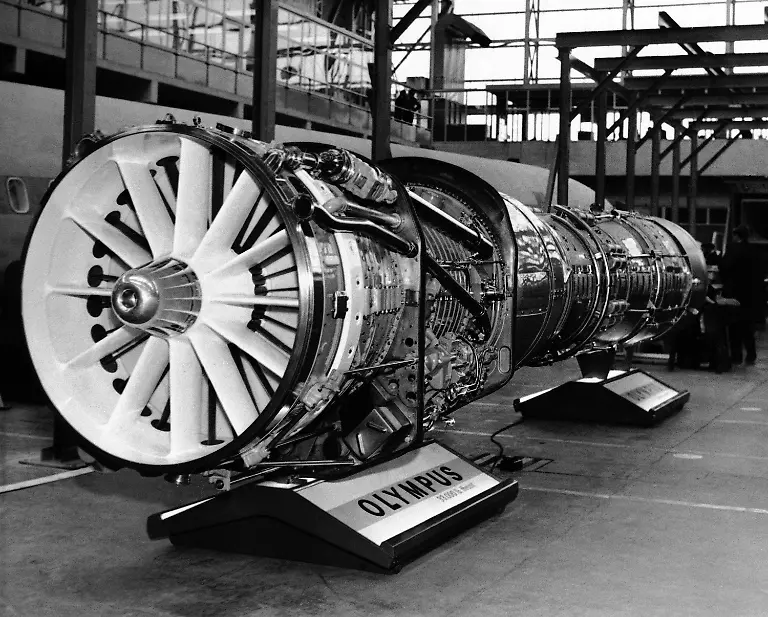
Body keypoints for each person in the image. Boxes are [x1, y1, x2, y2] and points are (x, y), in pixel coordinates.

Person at [719, 225, 764, 365]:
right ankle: (751, 355)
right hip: (750, 295)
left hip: (734, 294)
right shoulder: (755, 251)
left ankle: (736, 356)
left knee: (734, 327)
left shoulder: (732, 249)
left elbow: (724, 267)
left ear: (736, 236)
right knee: (747, 326)